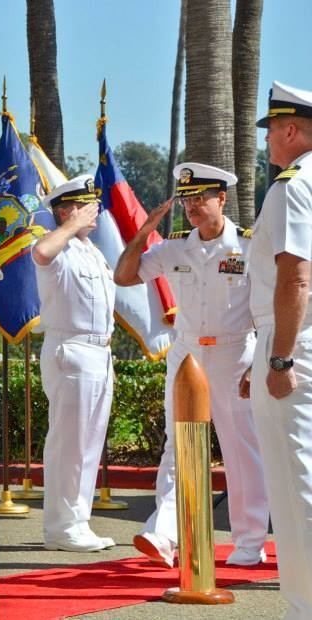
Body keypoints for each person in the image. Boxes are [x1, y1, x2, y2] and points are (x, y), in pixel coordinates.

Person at [114, 163, 269, 568]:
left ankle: (250, 542)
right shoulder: (174, 247)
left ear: (222, 198)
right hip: (187, 354)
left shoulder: (250, 247)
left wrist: (260, 362)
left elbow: (267, 311)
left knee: (240, 450)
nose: (193, 206)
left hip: (236, 354)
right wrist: (146, 230)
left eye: (201, 197)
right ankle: (163, 533)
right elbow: (124, 276)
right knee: (177, 445)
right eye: (187, 199)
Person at [247, 81, 312, 617]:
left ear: (291, 130)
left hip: (293, 339)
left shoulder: (292, 186)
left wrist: (279, 358)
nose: (268, 140)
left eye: (271, 130)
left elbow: (294, 277)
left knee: (296, 485)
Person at [32, 175, 117, 553]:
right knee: (68, 443)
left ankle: (77, 521)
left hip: (100, 351)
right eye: (86, 206)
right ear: (67, 210)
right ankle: (61, 526)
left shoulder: (90, 251)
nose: (94, 210)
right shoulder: (60, 249)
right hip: (72, 348)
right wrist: (69, 225)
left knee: (88, 442)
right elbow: (41, 252)